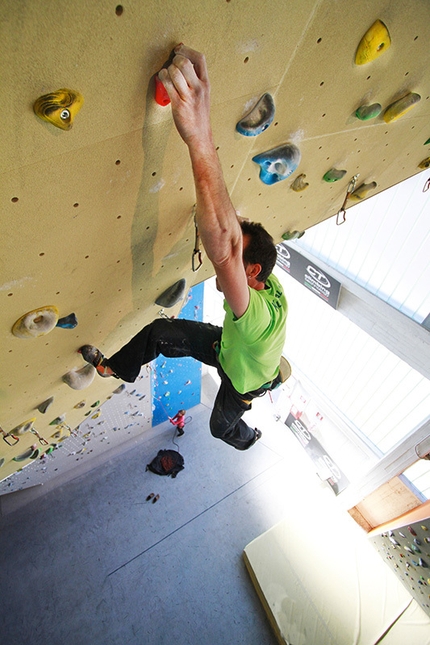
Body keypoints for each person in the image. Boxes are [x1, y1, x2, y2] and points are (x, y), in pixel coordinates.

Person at [79, 44, 287, 451]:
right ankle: (111, 367)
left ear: (253, 273)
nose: (224, 269)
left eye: (236, 263)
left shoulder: (256, 315)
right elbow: (233, 230)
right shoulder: (264, 284)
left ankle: (251, 435)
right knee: (158, 332)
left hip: (240, 379)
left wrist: (199, 135)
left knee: (218, 428)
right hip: (232, 347)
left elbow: (226, 248)